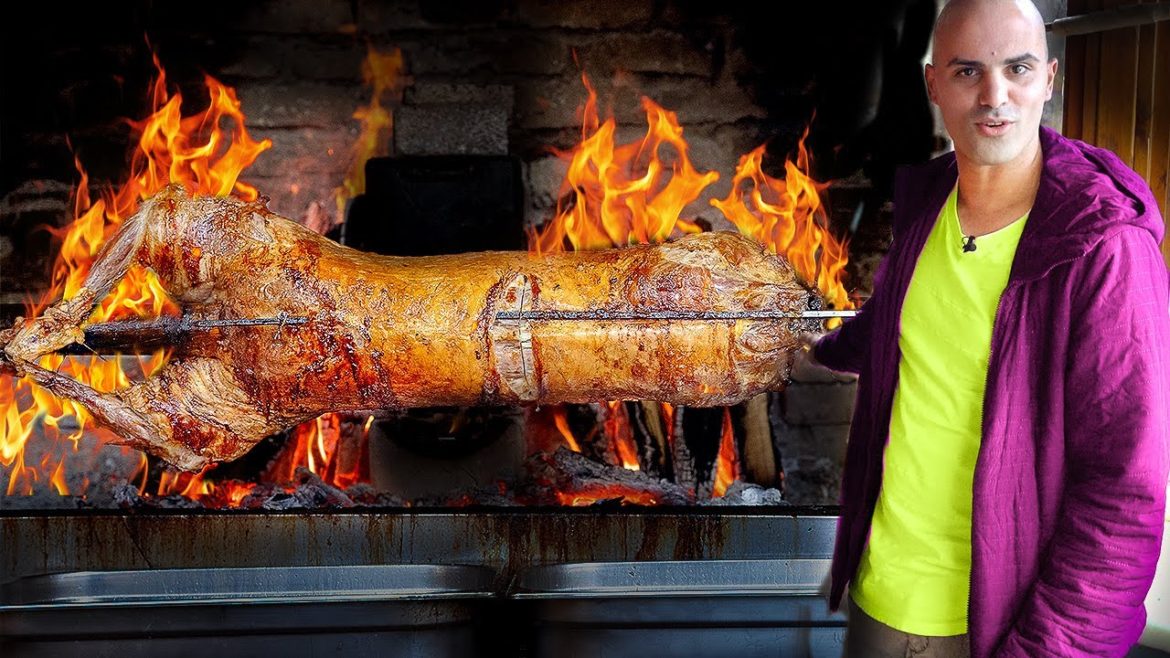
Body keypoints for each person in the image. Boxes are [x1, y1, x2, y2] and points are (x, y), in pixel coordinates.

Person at [804, 0, 1170, 655]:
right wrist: (787, 344)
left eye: (1018, 69)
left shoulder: (1105, 247)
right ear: (933, 84)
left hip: (999, 628)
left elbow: (1125, 491)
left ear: (1049, 79)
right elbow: (898, 330)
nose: (994, 96)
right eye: (968, 71)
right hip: (880, 604)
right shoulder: (927, 201)